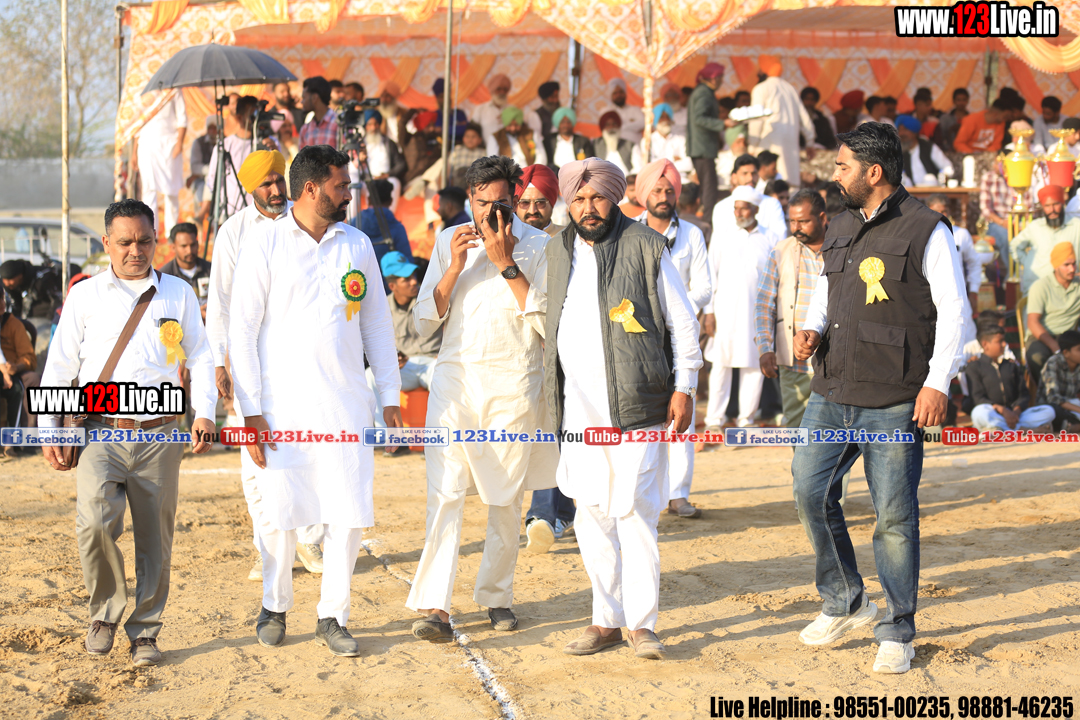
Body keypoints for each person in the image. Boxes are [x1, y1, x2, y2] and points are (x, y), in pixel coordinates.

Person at [791, 122, 965, 675]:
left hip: (894, 395)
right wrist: (813, 327)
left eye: (842, 166)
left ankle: (897, 629)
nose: (834, 174)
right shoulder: (841, 222)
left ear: (874, 171)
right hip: (832, 388)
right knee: (809, 491)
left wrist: (937, 382)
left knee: (894, 517)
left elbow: (955, 310)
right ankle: (846, 601)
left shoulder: (927, 229)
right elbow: (826, 290)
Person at [229, 145, 401, 658]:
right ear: (310, 189)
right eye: (340, 186)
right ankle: (274, 605)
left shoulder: (357, 243)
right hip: (279, 409)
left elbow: (377, 323)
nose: (348, 193)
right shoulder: (264, 242)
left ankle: (334, 615)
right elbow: (242, 331)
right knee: (280, 512)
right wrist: (250, 410)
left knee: (347, 511)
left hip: (346, 405)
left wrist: (390, 394)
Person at [39, 199, 216, 667]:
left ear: (155, 240)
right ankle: (104, 613)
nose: (135, 250)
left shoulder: (178, 293)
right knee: (94, 523)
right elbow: (59, 367)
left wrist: (204, 413)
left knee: (156, 539)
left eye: (144, 240)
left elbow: (200, 355)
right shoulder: (85, 296)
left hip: (161, 434)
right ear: (106, 243)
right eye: (125, 242)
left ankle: (146, 632)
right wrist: (49, 431)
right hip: (100, 430)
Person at [548, 157, 701, 660]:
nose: (588, 208)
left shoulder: (646, 245)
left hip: (640, 405)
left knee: (636, 513)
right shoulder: (557, 250)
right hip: (579, 411)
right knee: (591, 515)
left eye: (597, 197)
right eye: (578, 199)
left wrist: (685, 386)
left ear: (615, 197)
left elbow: (683, 323)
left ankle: (642, 625)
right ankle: (605, 621)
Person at [406, 156, 557, 641]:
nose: (492, 212)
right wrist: (454, 266)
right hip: (455, 384)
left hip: (514, 386)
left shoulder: (539, 245)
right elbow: (424, 320)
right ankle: (435, 606)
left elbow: (546, 324)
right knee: (445, 492)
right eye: (482, 202)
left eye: (502, 203)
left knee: (505, 499)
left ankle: (496, 596)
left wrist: (506, 262)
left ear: (515, 200)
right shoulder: (450, 240)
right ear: (470, 200)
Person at [204, 150, 326, 582]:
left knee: (309, 447)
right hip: (246, 358)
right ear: (249, 189)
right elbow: (219, 302)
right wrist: (219, 361)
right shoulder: (234, 232)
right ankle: (268, 548)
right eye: (266, 183)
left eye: (279, 180)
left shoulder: (308, 222)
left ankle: (310, 540)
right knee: (253, 461)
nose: (276, 190)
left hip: (302, 358)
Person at [635, 159, 711, 518]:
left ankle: (678, 494)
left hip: (680, 336)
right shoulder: (628, 231)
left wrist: (673, 311)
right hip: (637, 335)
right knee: (642, 412)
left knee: (683, 411)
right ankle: (644, 491)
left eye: (669, 190)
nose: (663, 196)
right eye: (657, 190)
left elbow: (704, 288)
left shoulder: (692, 234)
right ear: (644, 195)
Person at [755, 189, 827, 429]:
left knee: (834, 438)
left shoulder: (841, 248)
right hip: (794, 362)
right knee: (798, 433)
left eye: (803, 221)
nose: (796, 227)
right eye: (792, 221)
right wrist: (765, 348)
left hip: (833, 364)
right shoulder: (781, 251)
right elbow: (764, 303)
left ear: (822, 218)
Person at [703, 186, 772, 429]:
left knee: (753, 365)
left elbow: (773, 279)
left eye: (744, 208)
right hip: (724, 313)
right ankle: (714, 419)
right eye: (736, 208)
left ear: (756, 209)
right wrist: (709, 311)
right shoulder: (722, 235)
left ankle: (746, 419)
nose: (739, 213)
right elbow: (710, 275)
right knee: (720, 365)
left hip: (756, 314)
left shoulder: (769, 238)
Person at [367, 251, 441, 448]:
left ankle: (435, 440)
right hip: (404, 366)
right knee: (370, 375)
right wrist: (392, 359)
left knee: (442, 374)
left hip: (433, 361)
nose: (413, 282)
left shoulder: (430, 297)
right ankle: (389, 439)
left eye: (413, 276)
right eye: (406, 279)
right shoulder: (381, 307)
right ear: (392, 286)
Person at [967, 324, 1055, 431]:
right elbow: (977, 397)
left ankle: (1005, 429)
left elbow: (1024, 394)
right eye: (1000, 341)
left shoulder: (1011, 365)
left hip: (1016, 416)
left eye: (1004, 340)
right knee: (979, 412)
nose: (1004, 344)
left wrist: (1016, 411)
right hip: (994, 413)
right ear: (985, 344)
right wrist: (1002, 410)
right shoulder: (974, 366)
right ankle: (1022, 429)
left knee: (1049, 411)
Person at [748, 55, 814, 189]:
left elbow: (756, 119)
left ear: (763, 69)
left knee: (767, 185)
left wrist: (752, 146)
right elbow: (804, 118)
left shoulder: (761, 88)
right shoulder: (790, 89)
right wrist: (810, 141)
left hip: (769, 142)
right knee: (789, 184)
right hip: (790, 144)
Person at [925, 194, 982, 347]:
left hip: (958, 294)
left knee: (967, 340)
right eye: (936, 211)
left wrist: (974, 291)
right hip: (929, 296)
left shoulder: (961, 234)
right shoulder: (920, 234)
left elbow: (974, 263)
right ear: (927, 211)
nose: (941, 215)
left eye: (944, 211)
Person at [197, 95, 263, 222]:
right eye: (250, 114)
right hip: (232, 213)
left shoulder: (266, 143)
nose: (254, 118)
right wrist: (224, 203)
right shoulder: (226, 145)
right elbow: (212, 180)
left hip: (259, 214)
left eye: (256, 113)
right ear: (239, 117)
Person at [1025, 242, 1080, 386]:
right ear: (1056, 266)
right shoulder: (1040, 286)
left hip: (1069, 337)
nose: (1072, 269)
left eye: (1074, 264)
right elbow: (1033, 322)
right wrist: (1055, 347)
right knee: (1037, 357)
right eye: (1066, 265)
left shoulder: (1078, 285)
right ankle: (1047, 393)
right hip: (1042, 337)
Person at [1011, 185, 1080, 295]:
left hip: (1069, 290)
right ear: (1043, 207)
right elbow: (1015, 246)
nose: (1052, 210)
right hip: (1036, 285)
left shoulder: (1076, 226)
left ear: (1063, 204)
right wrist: (1028, 263)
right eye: (1047, 206)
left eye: (1056, 204)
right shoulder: (1035, 227)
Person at [134, 90, 186, 233]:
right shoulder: (143, 91)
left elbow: (182, 119)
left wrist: (179, 143)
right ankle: (150, 231)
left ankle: (171, 232)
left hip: (169, 145)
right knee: (148, 189)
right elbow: (139, 123)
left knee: (171, 190)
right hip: (146, 146)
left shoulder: (174, 90)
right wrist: (134, 153)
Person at [711, 154, 786, 244]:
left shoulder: (771, 204)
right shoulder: (721, 207)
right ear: (734, 177)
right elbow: (717, 244)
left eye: (754, 174)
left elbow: (780, 240)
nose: (750, 178)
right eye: (745, 173)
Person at [979, 158, 1037, 271]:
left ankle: (1028, 272)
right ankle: (1012, 273)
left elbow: (1029, 208)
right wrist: (1003, 223)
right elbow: (985, 209)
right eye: (996, 163)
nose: (995, 166)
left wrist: (1020, 224)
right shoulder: (989, 178)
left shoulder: (1022, 177)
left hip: (1019, 223)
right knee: (1007, 237)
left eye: (1000, 164)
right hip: (995, 223)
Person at [0, 289, 39, 457]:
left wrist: (16, 367)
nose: (1, 303)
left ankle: (27, 439)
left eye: (1, 299)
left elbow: (29, 357)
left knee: (33, 380)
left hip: (13, 370)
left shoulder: (14, 325)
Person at [687, 63, 728, 221]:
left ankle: (706, 217)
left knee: (707, 186)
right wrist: (722, 124)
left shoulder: (702, 91)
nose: (722, 81)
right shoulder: (704, 93)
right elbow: (699, 118)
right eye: (720, 77)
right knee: (710, 187)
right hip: (703, 147)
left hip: (701, 147)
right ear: (713, 78)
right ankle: (708, 220)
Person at [158, 223, 212, 320]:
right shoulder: (164, 277)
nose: (189, 251)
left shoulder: (211, 270)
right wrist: (195, 313)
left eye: (193, 245)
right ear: (173, 247)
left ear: (198, 244)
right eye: (184, 246)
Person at [474, 74, 541, 150]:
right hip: (485, 150)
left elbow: (521, 129)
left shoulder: (513, 109)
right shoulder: (480, 109)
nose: (502, 92)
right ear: (492, 90)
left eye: (505, 89)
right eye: (499, 89)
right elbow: (474, 131)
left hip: (510, 151)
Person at [357, 109, 406, 210]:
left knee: (395, 183)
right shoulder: (359, 145)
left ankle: (389, 215)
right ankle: (370, 215)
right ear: (365, 126)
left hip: (386, 178)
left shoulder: (389, 143)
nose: (373, 128)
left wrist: (387, 175)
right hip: (367, 180)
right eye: (370, 124)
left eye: (376, 124)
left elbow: (401, 164)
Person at [1035, 329, 1080, 432]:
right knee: (1053, 411)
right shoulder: (1053, 363)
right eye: (1079, 349)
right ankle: (1070, 427)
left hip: (1071, 406)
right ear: (1066, 353)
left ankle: (1072, 426)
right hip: (1053, 407)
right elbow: (1054, 398)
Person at [895, 115, 953, 187]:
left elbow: (947, 167)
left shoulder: (928, 147)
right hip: (911, 191)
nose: (901, 134)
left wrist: (943, 178)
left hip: (932, 190)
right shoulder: (899, 152)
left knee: (929, 178)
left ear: (914, 132)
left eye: (905, 130)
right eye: (899, 130)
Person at [644, 104, 692, 182]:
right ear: (655, 119)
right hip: (657, 181)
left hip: (681, 180)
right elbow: (649, 165)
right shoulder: (648, 141)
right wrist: (673, 159)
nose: (665, 120)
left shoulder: (680, 139)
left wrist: (660, 163)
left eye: (668, 116)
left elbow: (689, 164)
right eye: (662, 117)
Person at [515, 164, 564, 237]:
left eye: (539, 203)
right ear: (515, 204)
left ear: (552, 203)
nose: (532, 211)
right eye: (525, 203)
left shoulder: (569, 238)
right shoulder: (506, 238)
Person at [545, 108, 594, 174]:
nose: (565, 125)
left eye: (568, 122)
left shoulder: (582, 141)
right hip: (555, 176)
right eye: (562, 122)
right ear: (558, 123)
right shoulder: (549, 140)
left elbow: (589, 162)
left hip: (578, 175)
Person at [594, 111, 641, 176]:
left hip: (625, 180)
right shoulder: (595, 144)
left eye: (614, 124)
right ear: (603, 128)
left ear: (619, 126)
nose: (611, 127)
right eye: (607, 125)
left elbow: (638, 168)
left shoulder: (630, 145)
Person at [600, 78, 645, 145]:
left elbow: (643, 123)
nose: (618, 95)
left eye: (621, 92)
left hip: (635, 146)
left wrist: (621, 127)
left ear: (625, 93)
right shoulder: (606, 111)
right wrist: (632, 125)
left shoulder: (635, 109)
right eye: (615, 93)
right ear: (611, 95)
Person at [298, 77, 338, 149]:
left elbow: (350, 154)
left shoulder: (338, 124)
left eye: (304, 98)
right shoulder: (305, 129)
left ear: (314, 98)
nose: (302, 102)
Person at [447, 122, 488, 189]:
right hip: (458, 181)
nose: (470, 139)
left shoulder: (483, 153)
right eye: (467, 136)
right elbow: (449, 168)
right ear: (463, 138)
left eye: (473, 137)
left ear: (480, 140)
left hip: (474, 183)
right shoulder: (457, 149)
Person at [188, 119, 217, 206]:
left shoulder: (226, 141)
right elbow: (195, 167)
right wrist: (211, 170)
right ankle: (203, 211)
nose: (212, 131)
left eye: (214, 128)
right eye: (210, 128)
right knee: (201, 189)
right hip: (202, 180)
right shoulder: (199, 143)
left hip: (223, 180)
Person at [938, 87, 969, 152]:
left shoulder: (972, 119)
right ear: (954, 101)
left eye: (964, 100)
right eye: (959, 100)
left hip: (967, 151)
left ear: (967, 101)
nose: (961, 103)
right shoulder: (945, 118)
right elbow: (941, 137)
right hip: (948, 152)